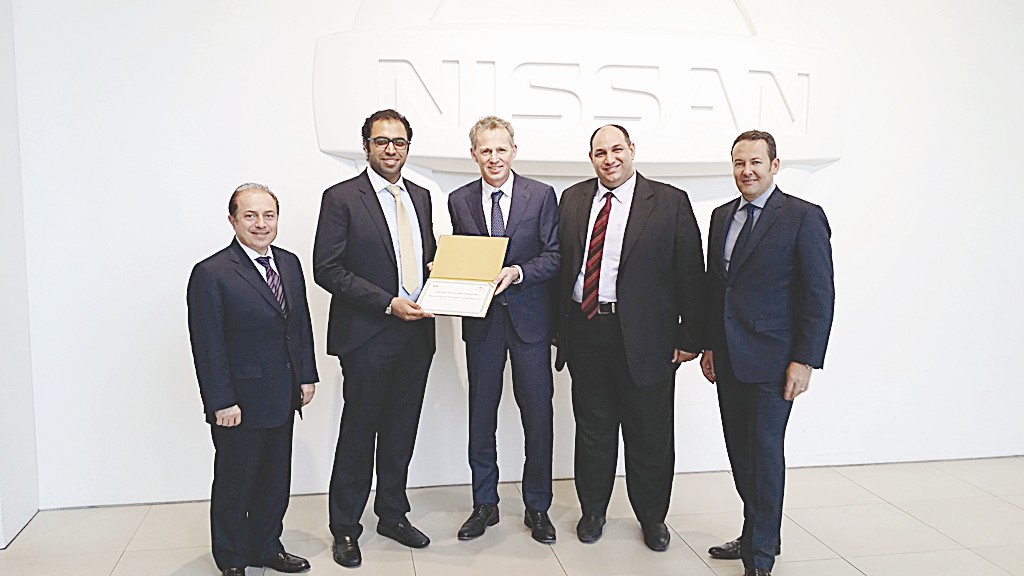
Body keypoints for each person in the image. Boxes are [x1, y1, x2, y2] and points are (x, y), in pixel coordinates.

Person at [554, 125, 705, 551]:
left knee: (649, 433)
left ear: (632, 150)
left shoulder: (670, 202)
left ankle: (652, 518)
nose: (610, 159)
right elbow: (562, 265)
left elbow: (691, 273)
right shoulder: (573, 199)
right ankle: (593, 511)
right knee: (593, 429)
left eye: (617, 149)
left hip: (648, 338)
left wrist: (690, 335)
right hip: (586, 329)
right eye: (600, 152)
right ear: (591, 157)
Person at [700, 130, 835, 576]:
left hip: (775, 361)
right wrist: (709, 345)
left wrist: (805, 359)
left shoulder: (802, 217)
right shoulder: (721, 216)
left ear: (774, 165)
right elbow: (716, 289)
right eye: (739, 163)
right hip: (729, 357)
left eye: (756, 162)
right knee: (740, 452)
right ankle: (758, 531)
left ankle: (760, 555)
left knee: (764, 453)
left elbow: (818, 295)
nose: (747, 171)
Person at [313, 109, 437, 569]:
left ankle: (392, 514)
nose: (390, 149)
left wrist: (442, 274)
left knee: (402, 430)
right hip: (367, 335)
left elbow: (423, 255)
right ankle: (345, 527)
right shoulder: (341, 198)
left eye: (399, 142)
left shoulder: (421, 197)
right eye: (381, 141)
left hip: (417, 333)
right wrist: (387, 302)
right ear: (365, 146)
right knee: (359, 432)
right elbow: (327, 269)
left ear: (408, 147)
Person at [187, 183, 318, 576]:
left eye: (268, 215)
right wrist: (221, 401)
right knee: (236, 483)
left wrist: (306, 375)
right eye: (250, 215)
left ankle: (266, 547)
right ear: (233, 220)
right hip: (239, 403)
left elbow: (300, 325)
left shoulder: (289, 263)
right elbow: (208, 345)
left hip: (283, 394)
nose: (261, 224)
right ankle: (230, 557)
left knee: (274, 481)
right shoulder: (211, 273)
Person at [447, 116, 560, 544]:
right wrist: (445, 270)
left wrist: (518, 272)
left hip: (530, 322)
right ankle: (484, 504)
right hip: (483, 324)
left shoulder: (541, 195)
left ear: (513, 151)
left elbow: (554, 256)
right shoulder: (459, 200)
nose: (493, 158)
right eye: (485, 150)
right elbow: (461, 256)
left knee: (538, 415)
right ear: (473, 154)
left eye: (500, 149)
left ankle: (538, 506)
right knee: (482, 415)